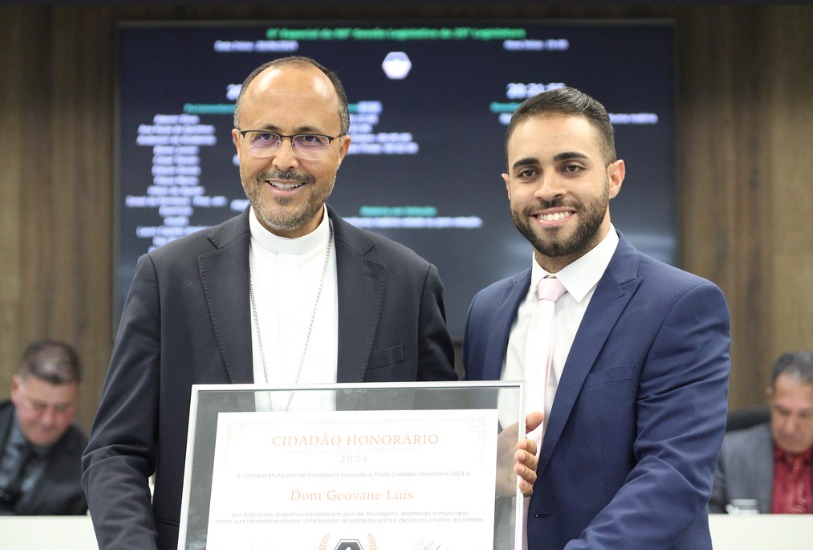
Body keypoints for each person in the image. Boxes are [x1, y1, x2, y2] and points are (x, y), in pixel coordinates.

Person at [82, 55, 537, 550]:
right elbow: (114, 452)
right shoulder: (167, 277)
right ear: (237, 144)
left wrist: (475, 467)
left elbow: (436, 450)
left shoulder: (408, 281)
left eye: (309, 138)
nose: (284, 159)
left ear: (342, 149)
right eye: (265, 136)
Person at [462, 86, 732, 549]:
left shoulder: (683, 306)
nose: (548, 189)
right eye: (529, 172)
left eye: (571, 167)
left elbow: (672, 477)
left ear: (614, 177)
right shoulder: (486, 311)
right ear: (509, 186)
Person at [709, 350, 813, 514]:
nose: (790, 427)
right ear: (771, 398)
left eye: (805, 415)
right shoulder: (729, 454)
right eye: (783, 411)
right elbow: (708, 522)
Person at [0, 339, 87, 515]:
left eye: (62, 408)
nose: (48, 420)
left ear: (77, 396)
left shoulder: (85, 462)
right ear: (16, 388)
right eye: (38, 405)